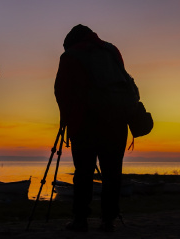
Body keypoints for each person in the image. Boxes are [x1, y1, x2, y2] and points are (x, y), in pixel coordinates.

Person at [54, 24, 139, 232]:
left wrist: (66, 119)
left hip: (85, 122)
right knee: (112, 173)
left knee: (83, 172)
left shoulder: (71, 56)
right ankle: (108, 220)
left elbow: (62, 91)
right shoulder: (111, 50)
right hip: (117, 121)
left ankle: (80, 219)